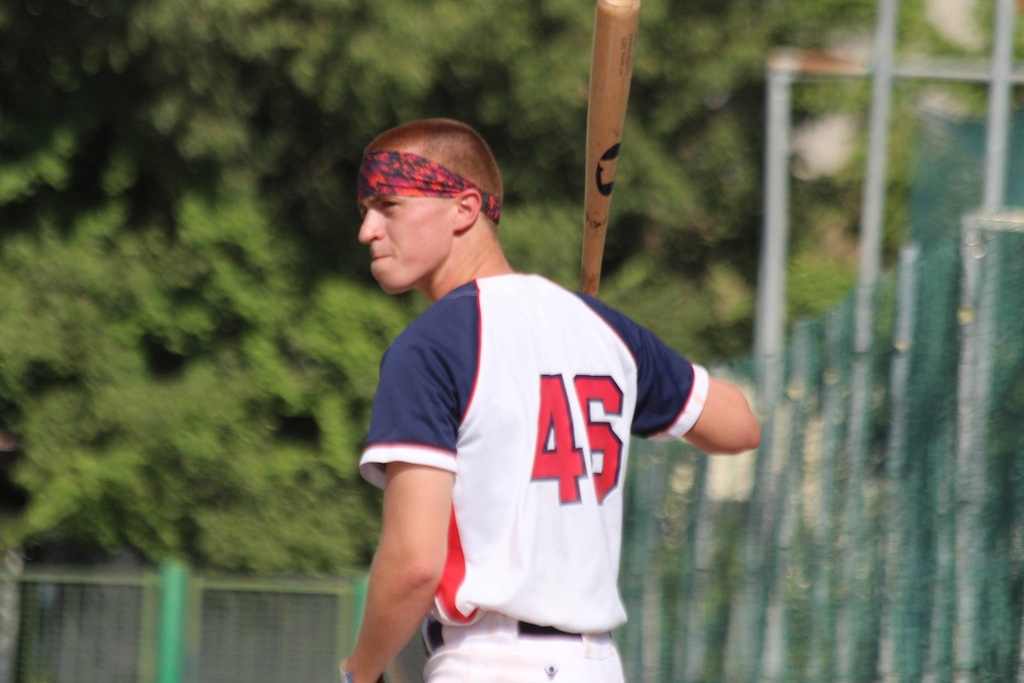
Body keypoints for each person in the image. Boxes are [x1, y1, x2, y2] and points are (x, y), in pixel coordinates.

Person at [339, 118, 760, 683]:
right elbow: (740, 426)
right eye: (365, 209)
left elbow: (415, 563)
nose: (367, 229)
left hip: (488, 663)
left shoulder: (429, 346)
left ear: (464, 209)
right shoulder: (603, 332)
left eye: (388, 205)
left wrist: (359, 672)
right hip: (597, 666)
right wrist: (611, 349)